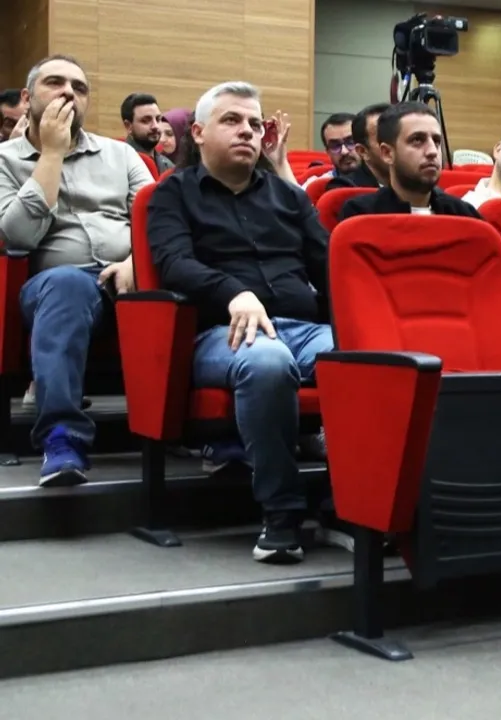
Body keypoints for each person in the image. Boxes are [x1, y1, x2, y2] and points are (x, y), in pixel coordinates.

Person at [147, 81, 334, 565]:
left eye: (255, 123)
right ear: (199, 133)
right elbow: (173, 263)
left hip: (302, 329)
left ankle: (351, 504)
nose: (248, 131)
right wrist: (235, 292)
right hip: (220, 334)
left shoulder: (289, 197)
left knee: (377, 354)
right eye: (232, 120)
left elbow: (331, 269)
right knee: (268, 362)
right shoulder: (171, 194)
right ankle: (282, 512)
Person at [0, 54, 152, 486]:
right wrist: (51, 153)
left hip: (129, 277)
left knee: (193, 279)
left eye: (79, 87)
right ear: (28, 96)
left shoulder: (121, 155)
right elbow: (19, 235)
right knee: (67, 284)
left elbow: (160, 222)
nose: (69, 92)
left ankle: (216, 434)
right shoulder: (5, 160)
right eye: (55, 83)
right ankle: (62, 438)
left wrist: (135, 262)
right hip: (55, 286)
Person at [339, 102, 501, 318]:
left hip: (464, 321)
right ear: (387, 153)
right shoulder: (361, 215)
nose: (432, 152)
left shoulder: (461, 213)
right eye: (417, 140)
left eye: (436, 141)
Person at [328, 102, 389, 190]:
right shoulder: (345, 188)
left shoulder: (409, 179)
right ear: (362, 151)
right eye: (384, 138)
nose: (344, 151)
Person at [120, 92, 175, 173]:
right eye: (146, 120)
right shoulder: (119, 163)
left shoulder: (168, 166)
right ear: (128, 126)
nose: (155, 126)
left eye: (158, 119)